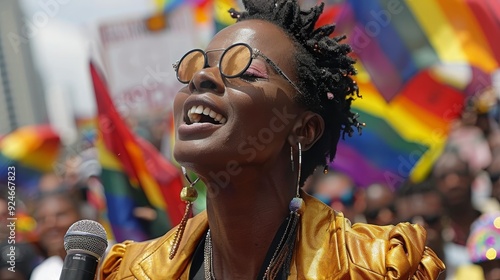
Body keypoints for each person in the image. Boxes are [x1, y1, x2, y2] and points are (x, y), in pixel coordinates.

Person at [100, 0, 445, 279]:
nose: (202, 78)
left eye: (245, 71)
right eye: (196, 68)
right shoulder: (132, 272)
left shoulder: (376, 267)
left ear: (304, 129)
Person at [30, 190, 82, 280]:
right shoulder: (42, 273)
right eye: (42, 219)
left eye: (60, 215)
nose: (50, 224)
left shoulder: (110, 258)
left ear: (80, 216)